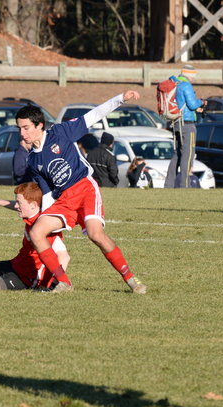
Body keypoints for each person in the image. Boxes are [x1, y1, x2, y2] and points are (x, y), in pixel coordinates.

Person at [15, 91, 147, 293]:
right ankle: (63, 283)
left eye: (26, 128)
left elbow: (93, 115)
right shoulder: (33, 160)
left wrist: (120, 98)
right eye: (19, 128)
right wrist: (45, 220)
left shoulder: (60, 132)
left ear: (39, 125)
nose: (22, 133)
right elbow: (48, 193)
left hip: (85, 189)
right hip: (64, 199)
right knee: (36, 233)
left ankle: (131, 279)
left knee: (96, 235)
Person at [164, 65, 207, 188]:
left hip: (176, 122)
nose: (194, 78)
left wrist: (195, 108)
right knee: (188, 155)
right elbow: (192, 104)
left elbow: (183, 104)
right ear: (189, 75)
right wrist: (201, 102)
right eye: (193, 75)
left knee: (177, 154)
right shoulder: (186, 85)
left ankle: (168, 184)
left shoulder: (175, 83)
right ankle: (185, 185)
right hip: (187, 124)